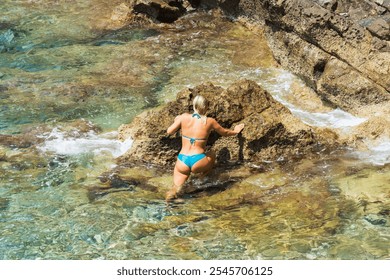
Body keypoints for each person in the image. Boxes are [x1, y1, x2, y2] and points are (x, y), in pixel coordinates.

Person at [165, 95, 244, 201]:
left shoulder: (183, 117)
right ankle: (202, 178)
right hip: (198, 161)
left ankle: (169, 201)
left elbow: (169, 131)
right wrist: (236, 131)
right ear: (206, 107)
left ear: (193, 105)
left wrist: (177, 120)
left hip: (182, 160)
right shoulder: (209, 121)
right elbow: (224, 132)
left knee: (175, 188)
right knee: (212, 153)